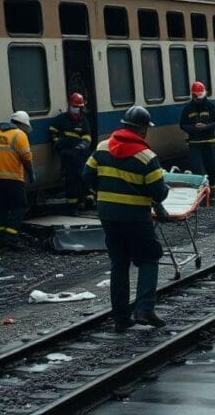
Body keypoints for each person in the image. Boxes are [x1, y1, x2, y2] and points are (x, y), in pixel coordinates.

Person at [83, 106, 170, 331]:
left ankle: (121, 318)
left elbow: (86, 176)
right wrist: (164, 187)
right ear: (141, 130)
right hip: (136, 217)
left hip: (108, 216)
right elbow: (158, 193)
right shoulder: (146, 157)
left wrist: (103, 193)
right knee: (150, 257)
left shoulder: (102, 148)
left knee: (119, 263)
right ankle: (145, 309)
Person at [0, 111, 35, 242]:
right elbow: (26, 157)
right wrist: (31, 173)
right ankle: (11, 236)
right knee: (19, 206)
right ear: (23, 124)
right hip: (13, 178)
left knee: (1, 205)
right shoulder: (20, 135)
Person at [49, 93, 92, 215]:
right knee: (70, 181)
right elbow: (53, 131)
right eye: (74, 106)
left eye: (78, 107)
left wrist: (78, 149)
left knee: (82, 178)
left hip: (80, 156)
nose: (76, 110)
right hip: (67, 156)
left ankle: (86, 201)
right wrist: (58, 145)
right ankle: (72, 207)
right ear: (69, 106)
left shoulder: (83, 122)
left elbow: (87, 139)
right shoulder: (61, 119)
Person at [179, 81, 215, 194]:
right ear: (192, 95)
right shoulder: (187, 108)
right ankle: (200, 192)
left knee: (211, 167)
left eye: (200, 97)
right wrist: (193, 128)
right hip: (195, 143)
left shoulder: (210, 106)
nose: (198, 99)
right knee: (196, 168)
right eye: (196, 97)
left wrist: (207, 127)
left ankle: (212, 191)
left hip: (209, 142)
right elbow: (182, 125)